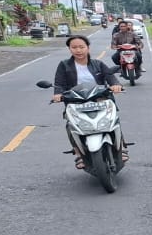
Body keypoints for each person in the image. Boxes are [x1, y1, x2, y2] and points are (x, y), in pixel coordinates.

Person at [53, 34, 123, 168]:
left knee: (113, 119)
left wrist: (115, 85)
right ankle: (79, 153)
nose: (78, 50)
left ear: (88, 48)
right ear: (69, 49)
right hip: (75, 100)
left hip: (100, 98)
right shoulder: (64, 65)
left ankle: (121, 147)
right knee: (70, 125)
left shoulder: (98, 64)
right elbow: (59, 83)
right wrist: (57, 94)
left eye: (81, 47)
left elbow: (110, 76)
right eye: (74, 47)